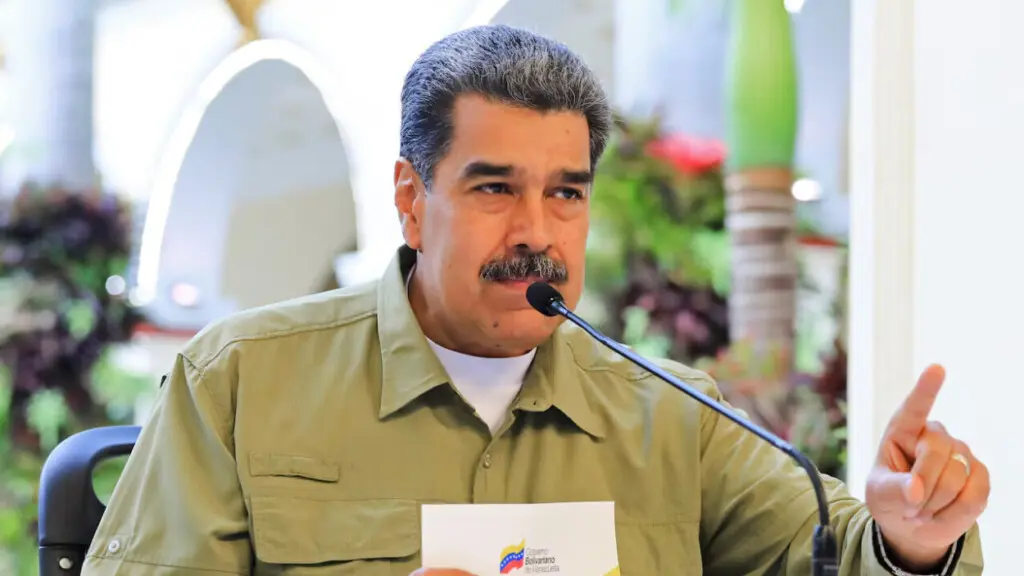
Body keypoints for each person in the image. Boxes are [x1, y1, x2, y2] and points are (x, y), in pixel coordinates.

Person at [82, 25, 987, 575]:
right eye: (493, 188)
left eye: (565, 193)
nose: (535, 231)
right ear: (410, 199)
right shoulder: (240, 382)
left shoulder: (676, 416)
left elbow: (838, 555)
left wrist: (911, 539)